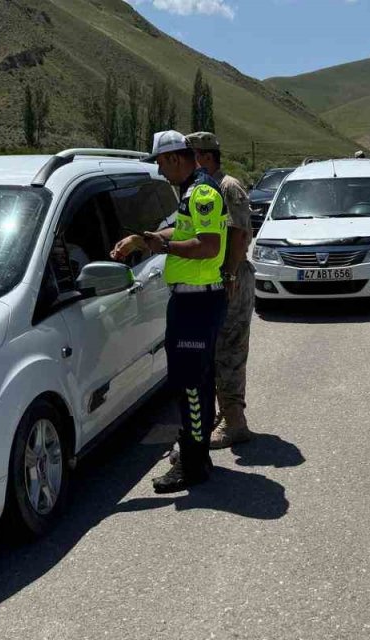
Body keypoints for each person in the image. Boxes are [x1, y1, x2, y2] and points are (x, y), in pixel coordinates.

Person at [110, 130, 228, 492]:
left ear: (175, 159)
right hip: (193, 300)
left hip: (198, 302)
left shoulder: (203, 192)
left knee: (190, 386)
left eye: (161, 164)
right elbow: (185, 227)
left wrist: (160, 246)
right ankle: (199, 455)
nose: (160, 172)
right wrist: (151, 237)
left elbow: (208, 246)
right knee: (197, 383)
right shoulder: (193, 190)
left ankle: (191, 465)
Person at [186, 131, 256, 450]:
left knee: (229, 350)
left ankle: (235, 423)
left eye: (192, 155)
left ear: (206, 156)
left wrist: (228, 275)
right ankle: (224, 414)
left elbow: (241, 234)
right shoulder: (203, 188)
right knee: (215, 352)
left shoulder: (228, 186)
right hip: (216, 279)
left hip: (233, 278)